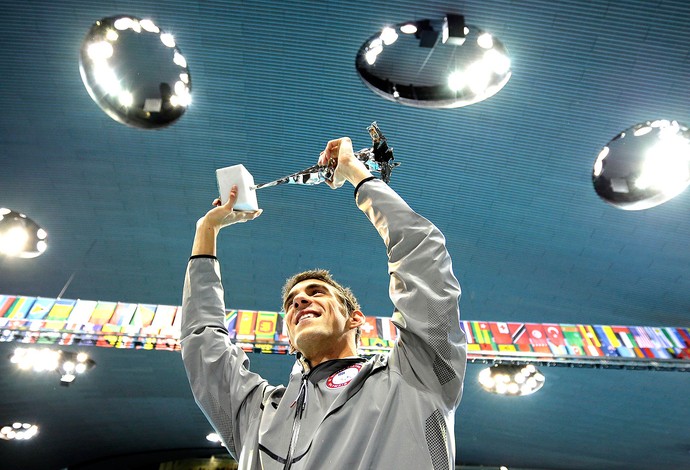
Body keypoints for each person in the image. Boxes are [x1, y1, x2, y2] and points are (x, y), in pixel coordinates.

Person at [181, 136, 467, 469]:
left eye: (316, 293)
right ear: (289, 338)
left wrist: (357, 174)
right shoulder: (258, 414)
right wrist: (207, 230)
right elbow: (202, 344)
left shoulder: (414, 375)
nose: (300, 300)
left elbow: (423, 258)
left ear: (356, 318)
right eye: (291, 303)